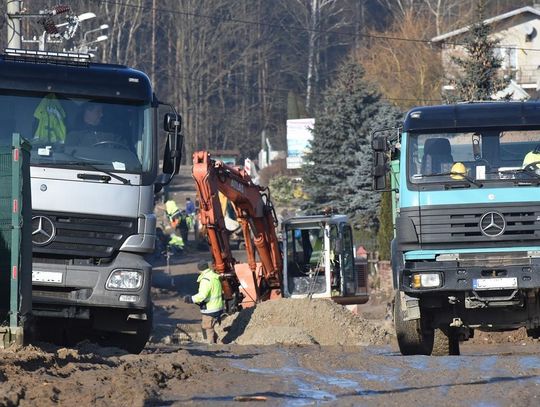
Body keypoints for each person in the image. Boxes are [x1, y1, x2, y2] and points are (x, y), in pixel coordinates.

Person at [184, 260, 224, 344]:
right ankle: (217, 342)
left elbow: (202, 296)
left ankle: (211, 344)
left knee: (208, 327)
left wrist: (190, 299)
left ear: (199, 270)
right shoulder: (214, 276)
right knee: (212, 326)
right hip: (218, 306)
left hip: (210, 308)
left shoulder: (206, 280)